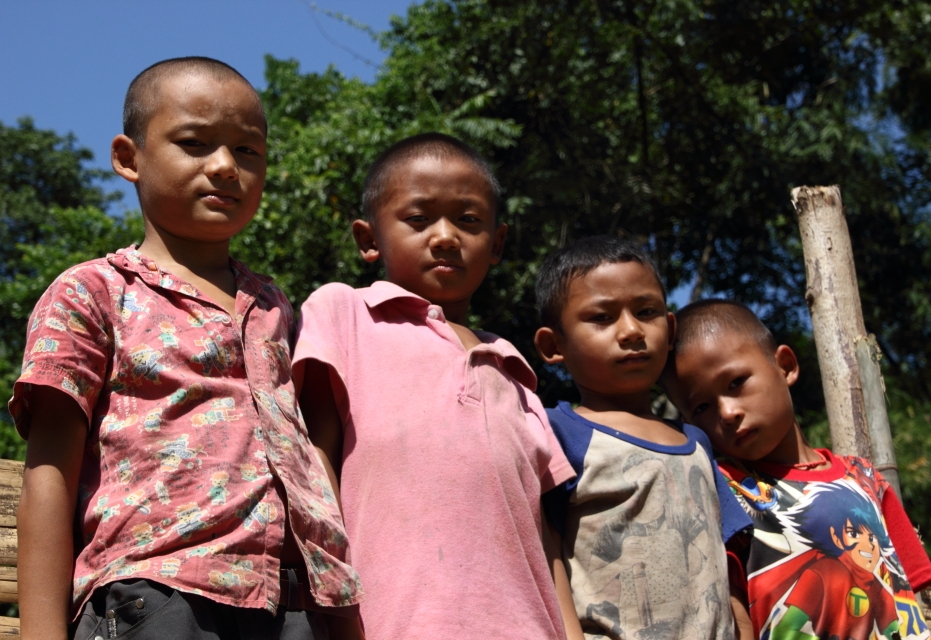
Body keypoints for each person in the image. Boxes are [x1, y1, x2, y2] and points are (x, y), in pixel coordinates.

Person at [10, 57, 363, 640]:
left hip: (296, 606)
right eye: (195, 143)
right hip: (160, 594)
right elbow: (48, 477)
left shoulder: (276, 309)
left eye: (248, 151)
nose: (225, 166)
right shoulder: (93, 291)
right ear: (129, 158)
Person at [292, 132, 581, 640]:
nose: (445, 236)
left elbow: (545, 536)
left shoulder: (515, 372)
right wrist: (335, 614)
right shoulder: (345, 313)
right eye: (419, 219)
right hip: (391, 624)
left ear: (498, 244)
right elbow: (315, 466)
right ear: (369, 239)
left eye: (468, 221)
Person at [660, 299, 931, 640]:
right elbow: (726, 608)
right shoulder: (723, 489)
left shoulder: (866, 478)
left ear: (785, 366)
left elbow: (909, 593)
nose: (728, 412)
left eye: (735, 383)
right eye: (702, 406)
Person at [532, 236, 754, 640]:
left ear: (669, 330)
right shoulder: (555, 432)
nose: (632, 330)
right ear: (553, 345)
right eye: (602, 317)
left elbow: (725, 560)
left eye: (646, 312)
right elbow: (545, 550)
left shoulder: (697, 441)